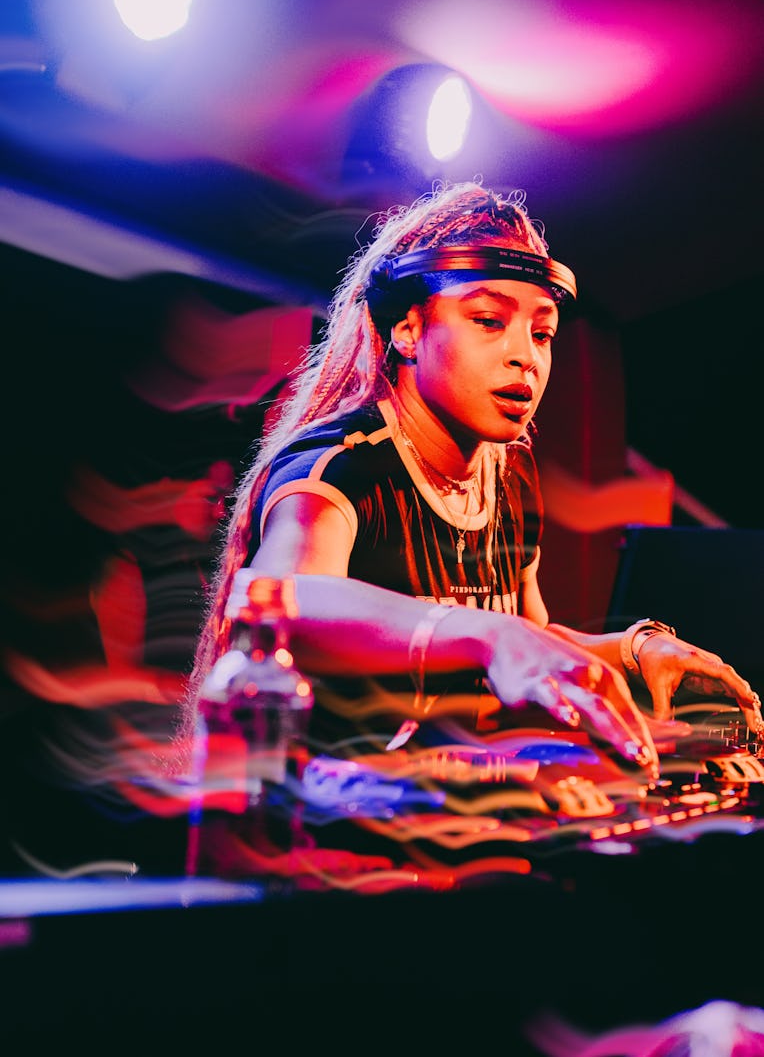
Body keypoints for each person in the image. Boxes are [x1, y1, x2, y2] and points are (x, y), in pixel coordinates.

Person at [182, 181, 763, 788]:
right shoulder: (340, 464)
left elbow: (525, 643)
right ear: (407, 331)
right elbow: (281, 596)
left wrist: (636, 650)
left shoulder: (507, 475)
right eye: (489, 320)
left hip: (445, 819)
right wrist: (482, 631)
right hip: (322, 833)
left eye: (542, 333)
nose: (526, 358)